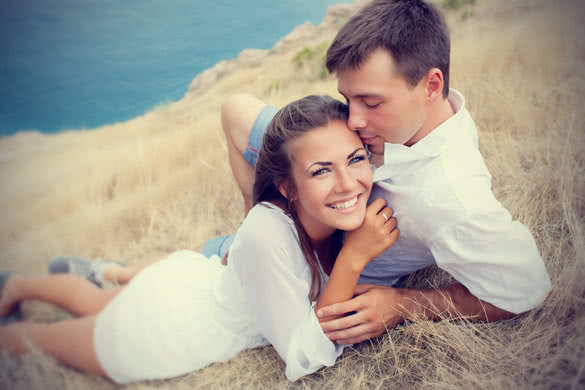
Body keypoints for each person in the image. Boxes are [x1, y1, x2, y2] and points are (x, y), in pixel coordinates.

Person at [0, 96, 399, 383]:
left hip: (187, 286)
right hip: (165, 328)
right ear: (287, 187)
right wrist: (354, 257)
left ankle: (19, 285)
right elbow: (301, 358)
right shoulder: (266, 234)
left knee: (100, 301)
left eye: (355, 159)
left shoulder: (331, 214)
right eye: (320, 171)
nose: (349, 184)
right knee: (41, 339)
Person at [221, 0, 552, 345]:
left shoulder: (448, 196)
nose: (352, 121)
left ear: (431, 86)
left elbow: (527, 287)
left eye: (372, 103)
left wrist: (406, 304)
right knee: (237, 109)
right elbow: (234, 112)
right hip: (260, 244)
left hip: (308, 273)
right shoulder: (410, 119)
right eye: (348, 100)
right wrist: (250, 217)